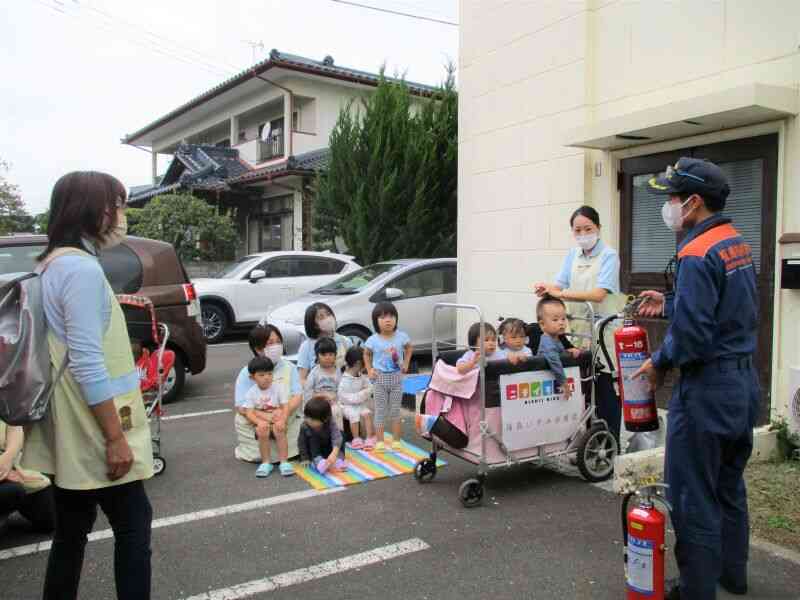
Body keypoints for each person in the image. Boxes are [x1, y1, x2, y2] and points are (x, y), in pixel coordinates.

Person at [20, 171, 153, 600]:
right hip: (94, 424)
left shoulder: (51, 263)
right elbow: (88, 363)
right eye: (118, 204)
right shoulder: (80, 269)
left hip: (68, 421)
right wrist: (115, 438)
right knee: (134, 527)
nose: (122, 215)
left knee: (72, 532)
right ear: (94, 210)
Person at [632, 157, 760, 600]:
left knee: (693, 496)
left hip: (707, 391)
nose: (667, 206)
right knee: (728, 486)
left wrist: (660, 361)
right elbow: (727, 308)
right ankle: (732, 575)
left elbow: (692, 337)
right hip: (743, 386)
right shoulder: (735, 243)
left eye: (671, 198)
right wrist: (670, 301)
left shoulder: (694, 252)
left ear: (693, 203)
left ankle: (696, 590)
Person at [534, 205, 624, 443]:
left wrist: (562, 294)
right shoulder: (572, 255)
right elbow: (559, 285)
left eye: (588, 229)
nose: (583, 234)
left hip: (602, 332)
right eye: (578, 230)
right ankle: (586, 442)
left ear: (599, 228)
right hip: (576, 331)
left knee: (605, 389)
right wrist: (548, 290)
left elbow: (599, 294)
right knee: (583, 389)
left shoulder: (609, 255)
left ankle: (609, 444)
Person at [234, 324, 303, 463]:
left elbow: (297, 396)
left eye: (278, 341)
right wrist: (264, 416)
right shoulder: (247, 372)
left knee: (299, 420)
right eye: (270, 343)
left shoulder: (289, 367)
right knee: (246, 421)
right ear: (259, 349)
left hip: (285, 416)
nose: (276, 346)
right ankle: (266, 457)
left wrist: (283, 413)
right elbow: (241, 406)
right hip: (258, 418)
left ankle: (281, 455)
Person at [364, 302, 412, 453]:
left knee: (395, 410)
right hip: (379, 381)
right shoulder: (373, 339)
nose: (388, 320)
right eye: (383, 317)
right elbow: (366, 353)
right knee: (380, 411)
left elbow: (409, 348)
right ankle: (379, 441)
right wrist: (369, 369)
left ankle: (396, 440)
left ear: (396, 319)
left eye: (391, 316)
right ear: (375, 321)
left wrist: (405, 363)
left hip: (397, 380)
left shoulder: (402, 336)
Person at [0, 420, 55, 536]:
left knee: (52, 522)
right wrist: (5, 473)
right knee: (12, 491)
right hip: (7, 478)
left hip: (12, 465)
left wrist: (8, 458)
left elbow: (14, 424)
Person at [241, 356, 292, 478]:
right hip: (262, 419)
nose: (267, 377)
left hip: (277, 418)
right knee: (261, 430)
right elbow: (249, 412)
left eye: (269, 373)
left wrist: (283, 420)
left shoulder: (279, 388)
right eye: (262, 375)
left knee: (279, 429)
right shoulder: (251, 392)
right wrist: (258, 422)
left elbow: (286, 406)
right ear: (252, 377)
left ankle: (284, 462)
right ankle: (266, 462)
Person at [535, 296, 582, 400]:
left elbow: (559, 354)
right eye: (555, 319)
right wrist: (564, 383)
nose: (561, 322)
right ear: (542, 325)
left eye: (563, 318)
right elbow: (555, 362)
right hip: (541, 381)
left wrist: (568, 351)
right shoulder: (547, 341)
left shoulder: (557, 339)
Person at [296, 302, 353, 383]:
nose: (327, 318)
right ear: (314, 324)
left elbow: (354, 369)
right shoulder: (306, 346)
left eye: (328, 314)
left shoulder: (345, 341)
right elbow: (301, 379)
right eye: (321, 317)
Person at [298, 397, 348, 474]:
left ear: (324, 419)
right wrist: (304, 458)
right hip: (315, 451)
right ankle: (319, 462)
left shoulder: (330, 422)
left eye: (312, 419)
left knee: (341, 434)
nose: (308, 420)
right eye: (306, 417)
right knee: (313, 438)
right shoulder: (305, 426)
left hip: (328, 448)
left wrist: (334, 453)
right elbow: (302, 443)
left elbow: (337, 437)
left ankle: (338, 459)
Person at [303, 337, 344, 431]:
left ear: (335, 355)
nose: (327, 357)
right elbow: (307, 391)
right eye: (323, 354)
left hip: (334, 401)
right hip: (318, 401)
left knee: (336, 411)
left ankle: (338, 436)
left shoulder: (338, 371)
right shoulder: (314, 372)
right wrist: (318, 396)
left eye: (330, 354)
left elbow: (342, 388)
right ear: (317, 356)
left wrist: (336, 399)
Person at [338, 346, 375, 450]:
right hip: (346, 406)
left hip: (359, 404)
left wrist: (361, 395)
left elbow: (369, 387)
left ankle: (369, 437)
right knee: (354, 415)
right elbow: (345, 398)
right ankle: (356, 438)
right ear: (358, 363)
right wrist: (362, 395)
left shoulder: (360, 376)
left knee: (367, 413)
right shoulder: (344, 380)